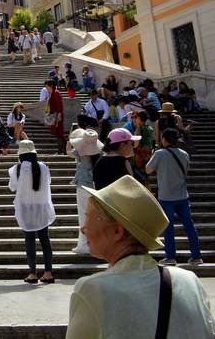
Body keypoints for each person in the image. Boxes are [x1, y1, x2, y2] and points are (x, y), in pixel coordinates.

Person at [65, 175, 214, 338]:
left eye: (87, 216)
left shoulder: (92, 290)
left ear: (117, 231)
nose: (83, 228)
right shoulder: (189, 280)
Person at [146, 128, 202, 266]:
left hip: (166, 196)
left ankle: (170, 256)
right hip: (182, 195)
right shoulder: (184, 153)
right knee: (189, 226)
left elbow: (148, 169)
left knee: (168, 227)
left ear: (164, 139)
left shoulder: (160, 153)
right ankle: (196, 256)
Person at [9, 140, 55, 284]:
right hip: (41, 206)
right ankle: (48, 272)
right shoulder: (43, 167)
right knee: (44, 239)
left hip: (26, 208)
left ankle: (32, 273)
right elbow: (48, 183)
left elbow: (12, 187)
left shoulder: (16, 169)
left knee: (29, 239)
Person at [67, 128, 102, 254]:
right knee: (95, 217)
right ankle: (95, 244)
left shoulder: (80, 150)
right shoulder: (99, 153)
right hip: (95, 186)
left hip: (83, 186)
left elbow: (68, 152)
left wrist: (69, 141)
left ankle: (83, 244)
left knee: (83, 216)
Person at [45, 79, 66, 154]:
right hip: (55, 115)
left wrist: (59, 116)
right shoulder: (53, 93)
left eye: (47, 86)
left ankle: (61, 151)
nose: (46, 88)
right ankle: (63, 150)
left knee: (59, 134)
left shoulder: (56, 93)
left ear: (51, 86)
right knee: (59, 134)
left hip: (57, 116)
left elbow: (59, 105)